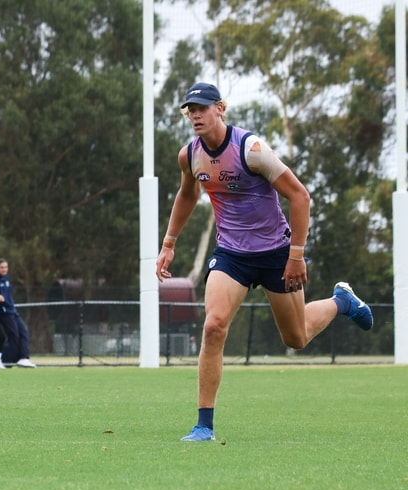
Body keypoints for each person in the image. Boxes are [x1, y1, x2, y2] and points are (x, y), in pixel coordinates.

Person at [156, 82, 373, 442]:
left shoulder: (251, 149)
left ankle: (341, 301)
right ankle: (203, 426)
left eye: (202, 108)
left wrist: (296, 256)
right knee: (213, 326)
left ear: (220, 109)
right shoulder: (190, 156)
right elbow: (188, 193)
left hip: (276, 253)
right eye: (190, 109)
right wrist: (168, 243)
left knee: (297, 337)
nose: (195, 114)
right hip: (231, 255)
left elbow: (300, 197)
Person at [0, 258, 36, 368]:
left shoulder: (6, 279)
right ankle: (7, 360)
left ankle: (24, 358)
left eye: (6, 267)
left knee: (24, 331)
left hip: (12, 310)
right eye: (1, 267)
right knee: (13, 336)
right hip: (4, 312)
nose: (4, 269)